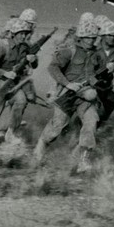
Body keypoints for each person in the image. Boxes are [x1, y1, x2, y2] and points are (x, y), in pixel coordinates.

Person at [34, 20, 107, 172]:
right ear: (80, 37)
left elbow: (98, 74)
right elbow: (52, 68)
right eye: (88, 37)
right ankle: (41, 146)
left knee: (91, 121)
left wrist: (105, 71)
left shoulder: (96, 55)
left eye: (94, 38)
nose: (91, 41)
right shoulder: (69, 51)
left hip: (85, 97)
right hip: (68, 94)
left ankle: (83, 160)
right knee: (56, 127)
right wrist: (67, 84)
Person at [0, 18, 37, 142]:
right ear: (13, 34)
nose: (24, 36)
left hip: (13, 84)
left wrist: (33, 59)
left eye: (26, 34)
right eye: (21, 33)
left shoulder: (24, 47)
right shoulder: (2, 46)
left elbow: (33, 64)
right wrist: (5, 73)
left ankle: (11, 132)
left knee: (21, 101)